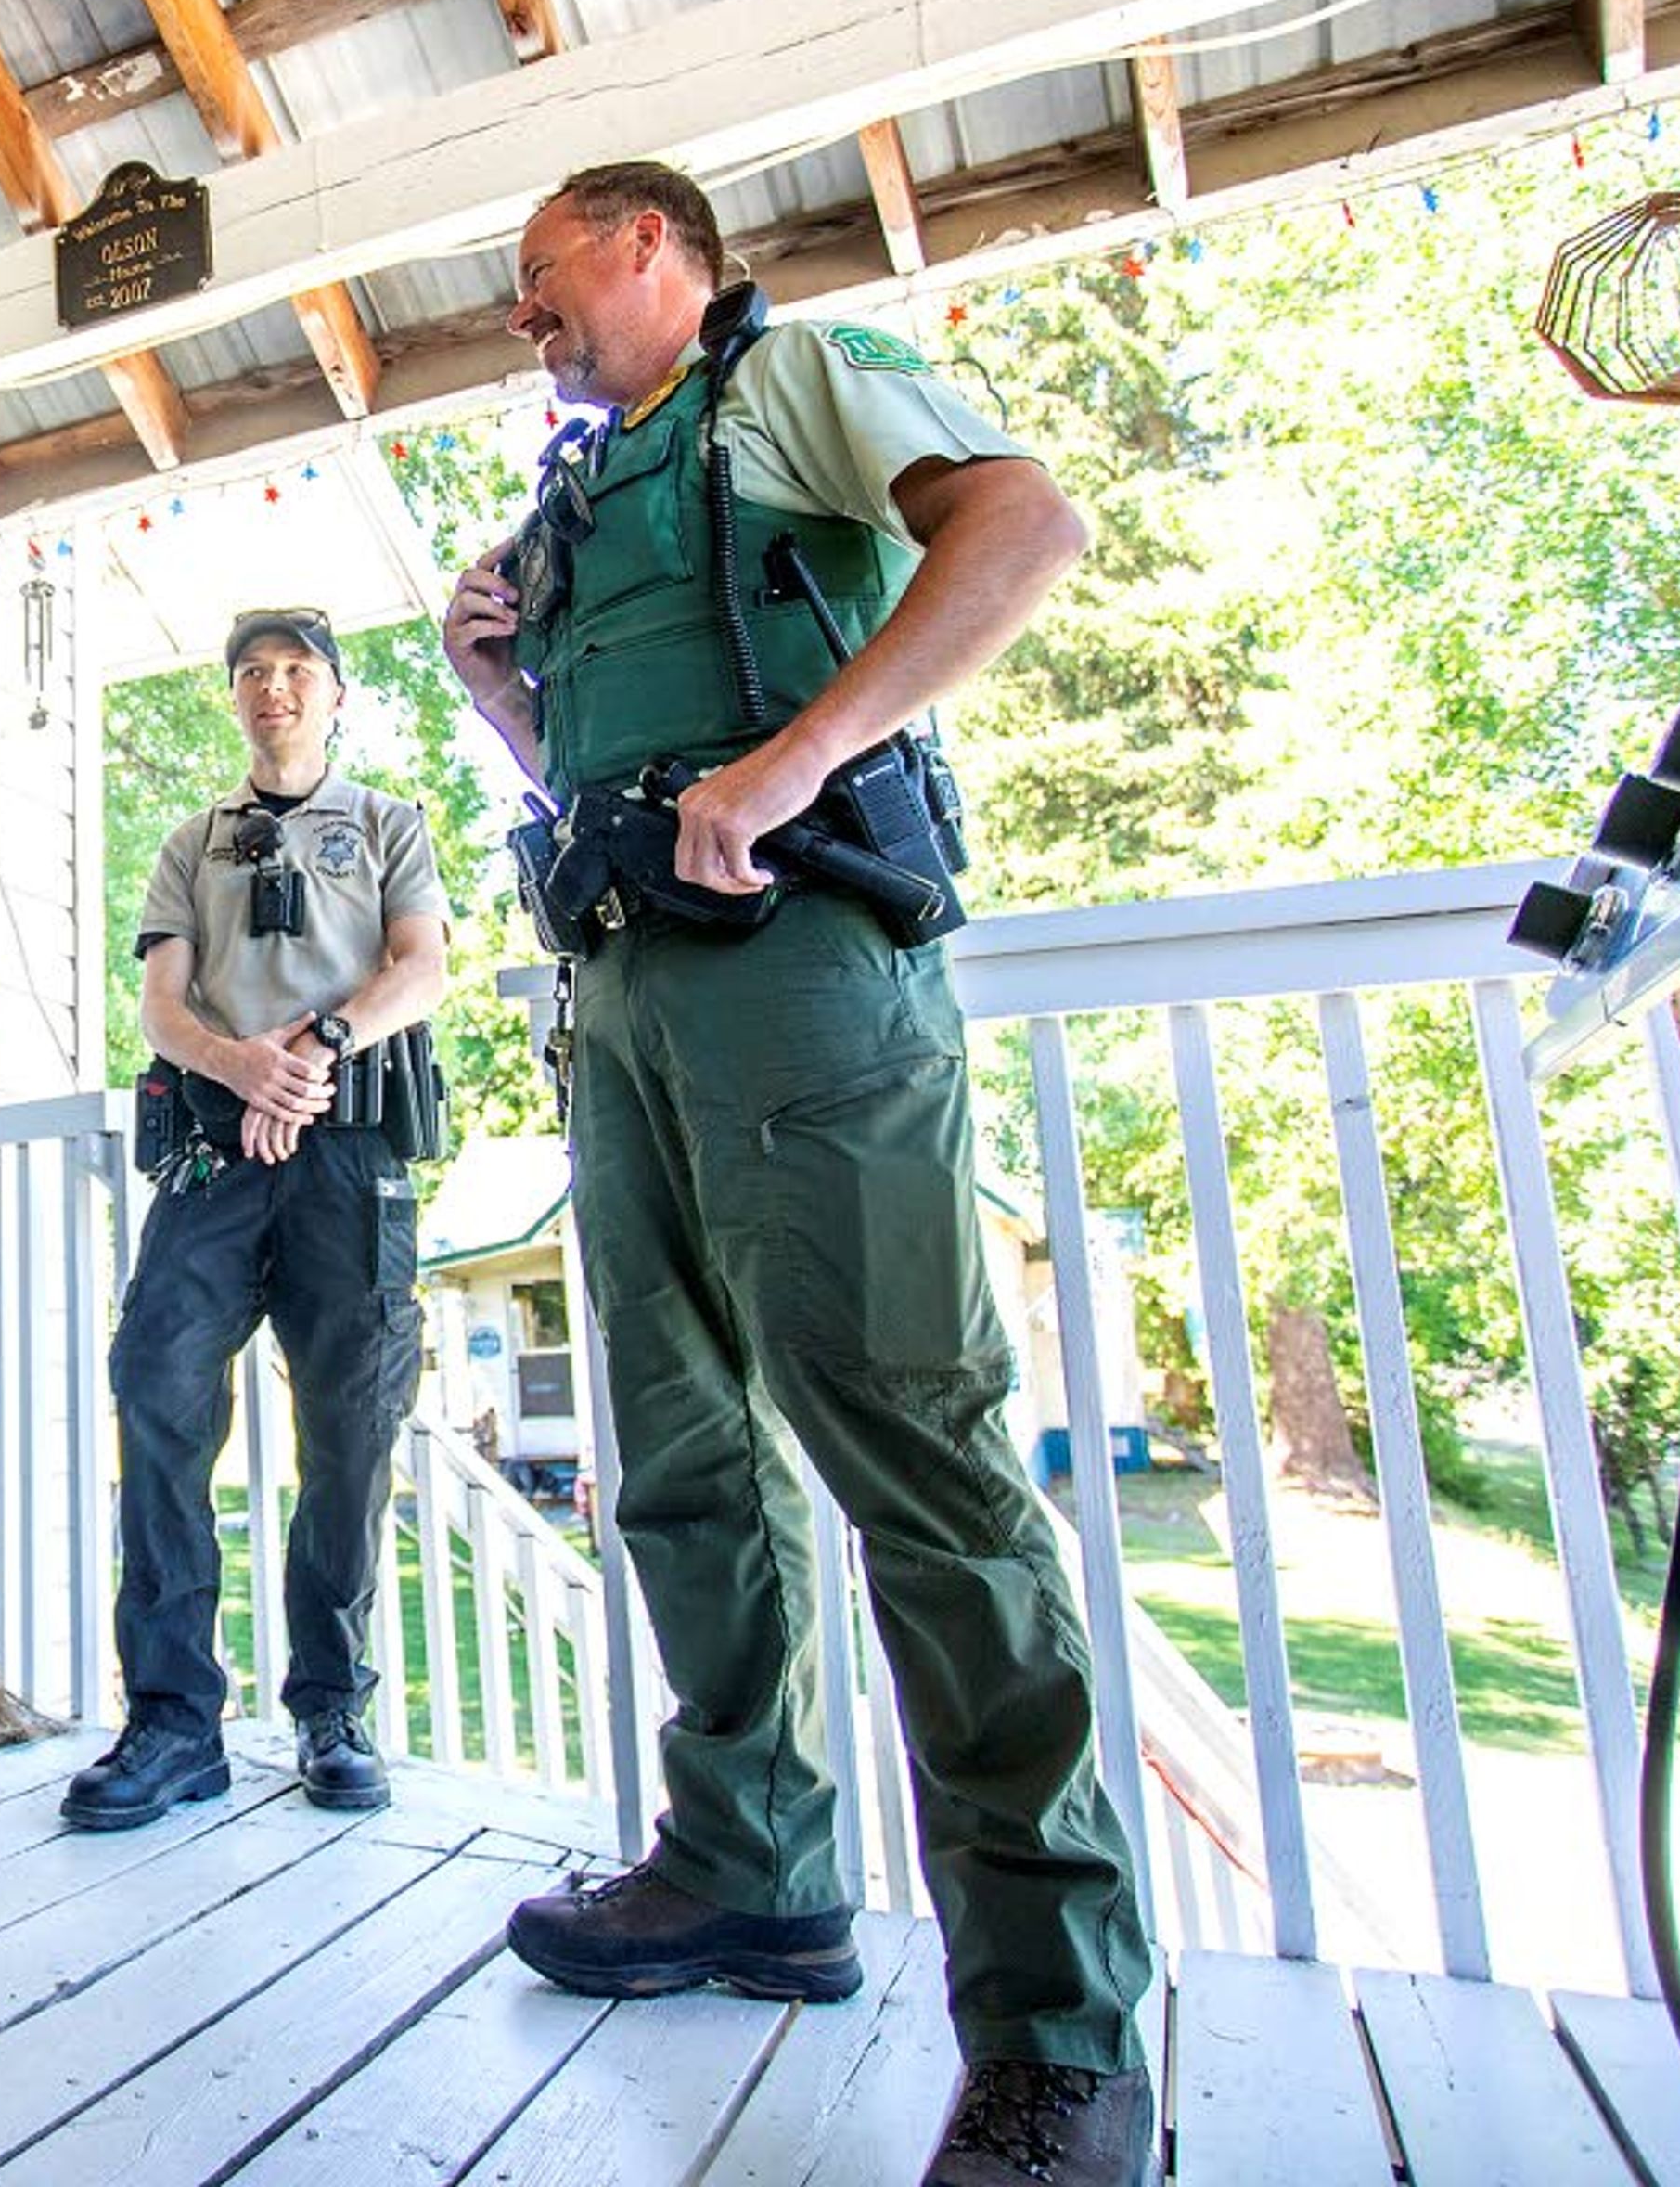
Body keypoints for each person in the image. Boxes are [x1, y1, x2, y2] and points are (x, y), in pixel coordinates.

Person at [442, 162, 1157, 2187]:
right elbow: (582, 754)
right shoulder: (576, 499)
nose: (529, 315)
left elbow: (1025, 529)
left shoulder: (801, 380)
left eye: (543, 270)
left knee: (914, 1455)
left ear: (650, 246)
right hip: (624, 1001)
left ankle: (1064, 2026)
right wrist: (497, 674)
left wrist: (793, 765)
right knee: (675, 1457)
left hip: (810, 980)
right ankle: (750, 1861)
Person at [62, 609, 448, 1829]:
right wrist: (243, 1072)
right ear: (233, 700)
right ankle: (174, 1721)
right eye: (252, 675)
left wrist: (318, 1050)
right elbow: (162, 1010)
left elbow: (420, 966)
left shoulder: (388, 824)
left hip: (350, 1152)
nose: (273, 690)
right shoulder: (193, 843)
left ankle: (332, 1706)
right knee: (158, 1387)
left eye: (295, 672)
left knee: (352, 1422)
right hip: (217, 1156)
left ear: (335, 694)